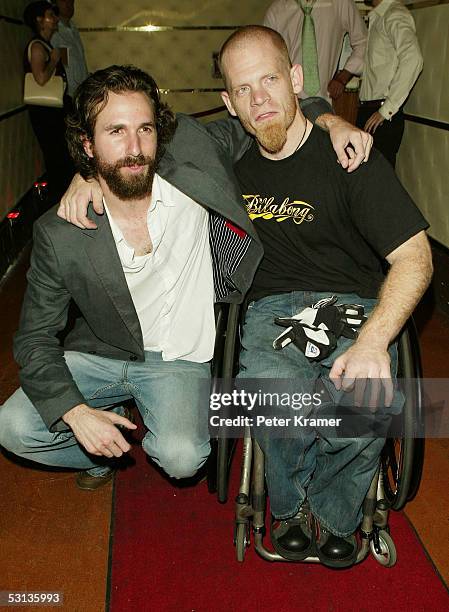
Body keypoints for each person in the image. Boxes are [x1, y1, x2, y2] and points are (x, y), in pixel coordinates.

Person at [0, 65, 369, 491]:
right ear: (87, 144)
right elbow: (33, 339)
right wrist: (76, 415)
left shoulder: (195, 152)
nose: (135, 147)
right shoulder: (59, 231)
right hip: (100, 352)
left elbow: (275, 109)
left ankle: (126, 432)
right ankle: (97, 448)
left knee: (182, 457)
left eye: (145, 129)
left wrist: (335, 120)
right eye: (115, 131)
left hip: (177, 358)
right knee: (13, 427)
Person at [216, 25, 432, 568]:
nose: (259, 99)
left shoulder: (349, 157)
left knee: (369, 399)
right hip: (269, 308)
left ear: (295, 80)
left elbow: (415, 258)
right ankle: (289, 507)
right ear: (229, 103)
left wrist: (374, 341)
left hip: (350, 305)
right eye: (243, 89)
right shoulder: (227, 174)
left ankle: (333, 512)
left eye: (269, 79)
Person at [357, 0, 423, 167]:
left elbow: (413, 58)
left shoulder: (394, 14)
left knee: (378, 182)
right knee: (366, 182)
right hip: (371, 111)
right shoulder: (380, 17)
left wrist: (386, 109)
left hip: (381, 115)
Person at [263, 0, 367, 102]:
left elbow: (363, 43)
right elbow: (265, 56)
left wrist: (343, 76)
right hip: (288, 98)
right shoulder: (277, 9)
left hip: (326, 99)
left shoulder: (340, 3)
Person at [23, 0, 75, 204]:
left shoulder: (46, 44)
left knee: (61, 156)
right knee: (56, 158)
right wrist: (54, 59)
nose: (54, 19)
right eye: (49, 15)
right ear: (39, 20)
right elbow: (41, 78)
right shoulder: (37, 46)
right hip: (45, 113)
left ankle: (62, 200)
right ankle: (58, 202)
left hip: (53, 111)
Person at [51, 0, 89, 99]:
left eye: (71, 1)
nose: (68, 4)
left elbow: (79, 60)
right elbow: (64, 63)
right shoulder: (54, 30)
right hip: (67, 93)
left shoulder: (73, 28)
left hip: (81, 90)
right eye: (64, 1)